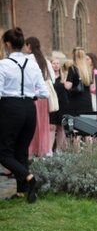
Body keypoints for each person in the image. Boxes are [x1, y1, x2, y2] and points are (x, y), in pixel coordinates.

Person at [0, 27, 49, 202]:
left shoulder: (3, 64)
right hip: (30, 107)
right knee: (21, 151)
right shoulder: (33, 64)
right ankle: (21, 191)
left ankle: (30, 178)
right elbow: (45, 93)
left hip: (10, 107)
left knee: (4, 153)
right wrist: (31, 95)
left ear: (7, 44)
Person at [25, 36, 54, 158]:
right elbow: (52, 78)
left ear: (29, 46)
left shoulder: (27, 59)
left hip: (32, 95)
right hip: (43, 97)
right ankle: (41, 152)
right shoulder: (45, 60)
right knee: (42, 126)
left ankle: (29, 154)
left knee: (30, 126)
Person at [64, 47, 93, 115]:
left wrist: (65, 80)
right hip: (87, 100)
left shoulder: (73, 69)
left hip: (76, 101)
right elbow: (91, 87)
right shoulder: (89, 70)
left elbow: (68, 86)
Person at [48, 58, 68, 153]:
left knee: (61, 127)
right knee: (51, 126)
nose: (56, 65)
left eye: (57, 63)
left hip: (62, 104)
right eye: (54, 63)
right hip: (52, 104)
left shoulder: (64, 78)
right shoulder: (49, 78)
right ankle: (49, 149)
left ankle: (58, 149)